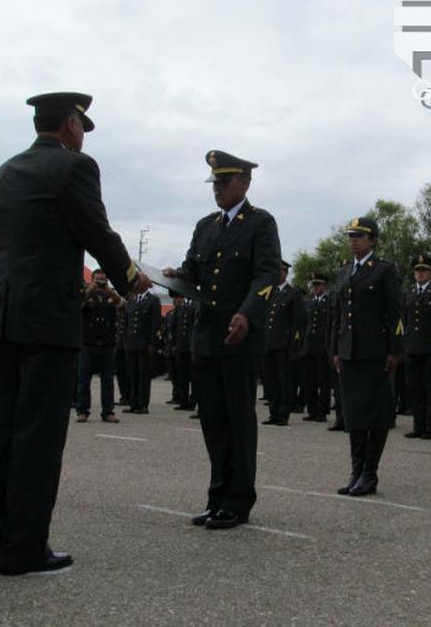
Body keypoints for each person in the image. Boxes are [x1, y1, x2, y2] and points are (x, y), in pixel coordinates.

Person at [0, 92, 150, 575]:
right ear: (71, 124)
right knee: (38, 435)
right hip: (47, 320)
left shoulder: (4, 170)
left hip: (5, 314)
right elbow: (97, 232)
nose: (83, 135)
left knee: (3, 432)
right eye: (82, 124)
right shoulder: (76, 168)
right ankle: (25, 549)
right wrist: (129, 276)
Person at [163, 150, 280, 530]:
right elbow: (193, 270)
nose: (218, 189)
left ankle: (238, 500)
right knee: (212, 419)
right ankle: (217, 495)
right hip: (206, 337)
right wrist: (174, 277)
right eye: (214, 183)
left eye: (225, 182)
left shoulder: (260, 223)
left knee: (238, 420)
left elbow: (265, 276)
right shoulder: (206, 225)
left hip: (238, 339)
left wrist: (246, 313)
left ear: (244, 183)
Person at [330, 217, 402, 496]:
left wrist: (395, 351)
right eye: (351, 235)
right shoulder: (344, 271)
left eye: (360, 236)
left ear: (373, 240)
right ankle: (356, 470)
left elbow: (396, 313)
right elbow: (338, 316)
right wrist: (335, 349)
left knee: (376, 414)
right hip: (348, 352)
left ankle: (370, 473)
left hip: (375, 353)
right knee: (354, 414)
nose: (353, 240)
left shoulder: (384, 270)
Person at [403, 255, 431, 440]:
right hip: (412, 347)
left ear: (430, 273)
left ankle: (430, 428)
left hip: (430, 348)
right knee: (415, 389)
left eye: (424, 270)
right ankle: (418, 425)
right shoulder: (408, 293)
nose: (420, 273)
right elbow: (404, 321)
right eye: (417, 270)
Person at [261, 260, 305, 426]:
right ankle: (273, 413)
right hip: (268, 343)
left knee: (284, 381)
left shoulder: (293, 293)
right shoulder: (269, 292)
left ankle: (283, 414)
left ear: (286, 273)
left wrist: (294, 345)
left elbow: (298, 322)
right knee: (270, 381)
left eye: (281, 271)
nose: (278, 274)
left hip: (284, 345)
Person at [76, 270, 121, 423]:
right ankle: (82, 410)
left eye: (103, 280)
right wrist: (89, 290)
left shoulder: (111, 295)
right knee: (84, 378)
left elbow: (122, 305)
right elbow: (77, 304)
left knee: (107, 379)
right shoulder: (86, 293)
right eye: (97, 280)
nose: (100, 282)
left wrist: (110, 292)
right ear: (92, 280)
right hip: (88, 342)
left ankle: (108, 411)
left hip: (107, 343)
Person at [123, 284, 161, 414]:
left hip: (144, 343)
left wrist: (152, 343)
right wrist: (125, 341)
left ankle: (143, 404)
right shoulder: (131, 300)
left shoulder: (153, 300)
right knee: (132, 374)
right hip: (131, 342)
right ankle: (133, 403)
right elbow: (127, 322)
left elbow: (155, 323)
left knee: (143, 375)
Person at [301, 272, 333, 423]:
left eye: (318, 285)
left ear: (324, 286)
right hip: (309, 345)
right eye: (313, 285)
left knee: (323, 381)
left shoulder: (329, 302)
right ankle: (312, 410)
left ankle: (323, 411)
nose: (315, 288)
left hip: (322, 345)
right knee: (309, 380)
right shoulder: (309, 302)